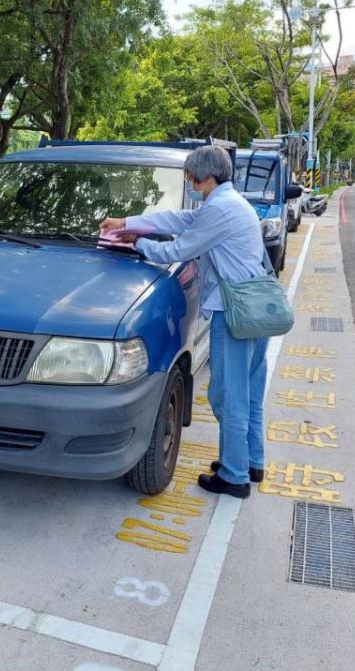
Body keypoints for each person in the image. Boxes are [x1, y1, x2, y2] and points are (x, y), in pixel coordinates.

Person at [99, 145, 269, 498]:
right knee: (248, 392)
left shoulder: (220, 209)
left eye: (191, 177)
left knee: (228, 396)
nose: (189, 182)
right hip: (256, 307)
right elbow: (179, 220)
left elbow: (177, 249)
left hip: (233, 312)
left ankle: (234, 476)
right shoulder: (229, 203)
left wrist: (138, 244)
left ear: (207, 177)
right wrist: (128, 223)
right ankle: (251, 461)